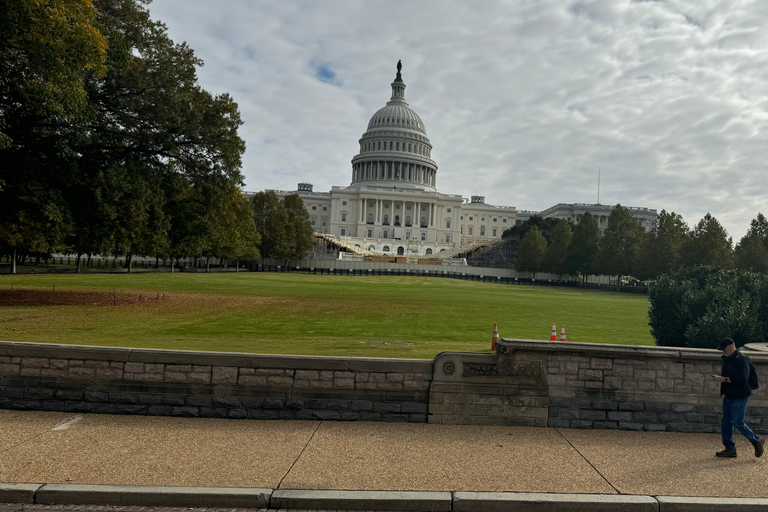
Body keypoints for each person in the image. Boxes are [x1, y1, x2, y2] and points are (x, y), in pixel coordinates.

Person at [714, 337, 764, 458]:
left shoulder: (742, 360)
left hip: (740, 395)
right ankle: (730, 448)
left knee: (737, 421)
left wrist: (724, 379)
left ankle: (756, 440)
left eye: (724, 349)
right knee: (726, 422)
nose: (723, 352)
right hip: (729, 394)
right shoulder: (727, 359)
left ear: (731, 347)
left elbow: (743, 379)